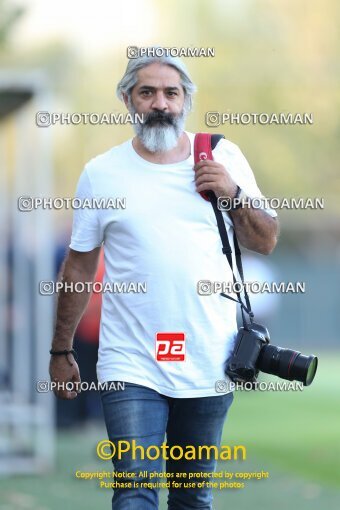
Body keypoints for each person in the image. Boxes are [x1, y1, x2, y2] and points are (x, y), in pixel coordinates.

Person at [49, 49, 279, 510]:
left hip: (209, 359)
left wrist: (232, 193)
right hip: (129, 361)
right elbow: (78, 266)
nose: (160, 103)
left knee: (193, 496)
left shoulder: (221, 154)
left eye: (171, 93)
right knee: (135, 490)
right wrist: (61, 350)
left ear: (185, 101)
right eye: (147, 92)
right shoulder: (102, 173)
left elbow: (266, 240)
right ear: (128, 100)